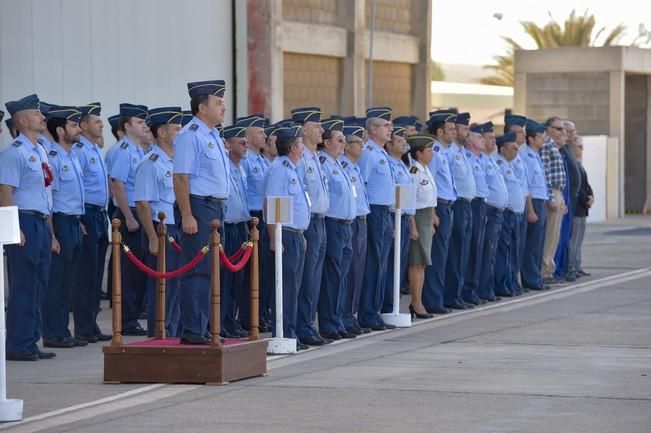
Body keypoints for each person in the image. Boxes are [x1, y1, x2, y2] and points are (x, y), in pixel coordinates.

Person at [173, 80, 230, 344]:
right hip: (199, 206)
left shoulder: (213, 135)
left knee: (211, 270)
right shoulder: (190, 135)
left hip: (216, 207)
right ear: (201, 107)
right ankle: (193, 329)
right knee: (198, 269)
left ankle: (204, 325)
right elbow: (181, 177)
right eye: (218, 103)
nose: (223, 108)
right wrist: (187, 214)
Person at [0, 94, 56, 361]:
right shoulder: (14, 153)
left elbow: (46, 193)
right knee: (24, 283)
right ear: (22, 120)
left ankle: (32, 340)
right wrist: (14, 227)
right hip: (23, 221)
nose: (43, 117)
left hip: (41, 221)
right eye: (36, 114)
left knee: (39, 283)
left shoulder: (40, 150)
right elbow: (5, 191)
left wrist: (51, 231)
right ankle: (18, 344)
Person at [134, 106, 183, 338]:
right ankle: (159, 334)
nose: (181, 133)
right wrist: (153, 237)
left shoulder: (177, 162)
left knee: (177, 286)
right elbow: (142, 204)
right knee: (162, 288)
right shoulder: (150, 163)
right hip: (162, 230)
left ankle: (174, 332)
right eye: (176, 128)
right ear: (162, 133)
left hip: (179, 228)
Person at [41, 106, 88, 348]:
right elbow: (50, 199)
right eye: (73, 125)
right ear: (60, 130)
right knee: (57, 280)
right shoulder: (53, 158)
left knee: (68, 280)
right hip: (59, 221)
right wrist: (52, 235)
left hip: (72, 221)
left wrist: (78, 222)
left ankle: (63, 331)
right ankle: (53, 333)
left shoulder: (72, 156)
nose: (78, 129)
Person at [263, 125, 310, 351]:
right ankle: (284, 332)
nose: (303, 148)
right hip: (285, 234)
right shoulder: (279, 170)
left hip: (295, 234)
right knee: (286, 287)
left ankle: (292, 333)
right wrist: (275, 237)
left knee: (295, 286)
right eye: (301, 144)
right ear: (293, 147)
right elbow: (271, 204)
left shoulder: (292, 168)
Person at [70, 102, 112, 343]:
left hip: (99, 213)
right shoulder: (80, 151)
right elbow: (77, 188)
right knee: (85, 273)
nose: (101, 125)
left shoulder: (94, 149)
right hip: (86, 212)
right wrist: (80, 218)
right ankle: (83, 326)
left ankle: (91, 324)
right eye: (97, 121)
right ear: (84, 125)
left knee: (96, 273)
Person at [109, 103, 151, 335]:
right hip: (130, 214)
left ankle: (131, 317)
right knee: (129, 270)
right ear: (127, 126)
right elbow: (118, 184)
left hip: (138, 212)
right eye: (139, 122)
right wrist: (128, 217)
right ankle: (125, 320)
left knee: (139, 271)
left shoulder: (137, 150)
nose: (144, 126)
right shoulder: (125, 150)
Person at [291, 107, 331, 346]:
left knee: (314, 278)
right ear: (304, 129)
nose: (321, 130)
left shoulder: (315, 156)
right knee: (305, 278)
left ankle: (308, 324)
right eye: (317, 126)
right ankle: (301, 327)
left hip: (321, 220)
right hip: (308, 222)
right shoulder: (300, 157)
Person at [357, 107, 398, 330]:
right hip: (373, 212)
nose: (390, 129)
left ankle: (375, 310)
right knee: (373, 263)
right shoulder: (368, 154)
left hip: (385, 212)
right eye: (385, 125)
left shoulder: (382, 153)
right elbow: (361, 184)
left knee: (382, 264)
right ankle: (367, 313)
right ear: (373, 129)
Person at [317, 118, 357, 340]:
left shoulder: (337, 164)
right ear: (327, 143)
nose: (344, 144)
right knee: (332, 276)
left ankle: (338, 317)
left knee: (342, 275)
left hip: (345, 225)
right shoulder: (323, 163)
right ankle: (329, 322)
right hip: (332, 224)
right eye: (340, 140)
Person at [239, 114, 272, 332]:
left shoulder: (261, 159)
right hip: (253, 217)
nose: (265, 135)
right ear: (248, 136)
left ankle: (260, 313)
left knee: (264, 270)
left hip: (264, 215)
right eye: (259, 132)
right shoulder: (246, 160)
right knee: (252, 271)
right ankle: (248, 315)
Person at [219, 122, 253, 339]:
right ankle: (220, 321)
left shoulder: (241, 168)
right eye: (242, 142)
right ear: (229, 145)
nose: (246, 145)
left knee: (237, 279)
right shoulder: (224, 167)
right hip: (227, 227)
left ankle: (231, 320)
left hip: (241, 225)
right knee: (224, 279)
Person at [423, 110, 457, 314]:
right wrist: (433, 212)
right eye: (450, 129)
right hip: (440, 206)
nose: (454, 132)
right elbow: (432, 183)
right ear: (439, 131)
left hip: (449, 204)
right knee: (437, 255)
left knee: (444, 255)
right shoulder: (435, 151)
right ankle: (433, 300)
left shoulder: (444, 151)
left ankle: (440, 297)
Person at [340, 122, 371, 335]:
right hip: (349, 222)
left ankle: (351, 315)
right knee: (347, 273)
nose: (362, 146)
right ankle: (344, 316)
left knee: (358, 271)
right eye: (357, 143)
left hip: (360, 220)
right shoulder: (342, 165)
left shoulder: (353, 166)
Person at [381, 125, 415, 315]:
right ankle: (388, 304)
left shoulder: (402, 163)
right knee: (391, 265)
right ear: (390, 145)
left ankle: (394, 302)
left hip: (405, 217)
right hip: (395, 216)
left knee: (399, 265)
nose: (404, 145)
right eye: (400, 141)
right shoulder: (390, 164)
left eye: (405, 141)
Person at [476, 122, 508, 302]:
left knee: (492, 253)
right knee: (485, 252)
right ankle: (481, 289)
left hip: (497, 212)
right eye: (489, 138)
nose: (493, 141)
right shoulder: (479, 159)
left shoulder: (490, 159)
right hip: (488, 211)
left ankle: (487, 289)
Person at [406, 134, 437, 319]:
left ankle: (418, 301)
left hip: (426, 218)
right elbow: (411, 200)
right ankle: (416, 302)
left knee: (423, 263)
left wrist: (432, 217)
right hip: (417, 218)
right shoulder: (414, 171)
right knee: (416, 263)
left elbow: (429, 198)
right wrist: (413, 226)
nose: (431, 154)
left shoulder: (425, 169)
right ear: (419, 152)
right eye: (428, 150)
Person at [494, 133, 526, 297]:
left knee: (513, 250)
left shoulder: (509, 164)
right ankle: (502, 284)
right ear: (502, 149)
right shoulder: (499, 163)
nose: (516, 150)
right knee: (504, 251)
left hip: (514, 214)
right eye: (513, 147)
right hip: (506, 213)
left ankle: (511, 282)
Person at [520, 121, 550, 291]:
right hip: (534, 202)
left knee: (539, 244)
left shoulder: (536, 155)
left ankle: (536, 276)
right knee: (532, 244)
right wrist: (530, 209)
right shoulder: (527, 157)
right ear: (530, 139)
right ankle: (530, 279)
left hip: (542, 200)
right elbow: (528, 187)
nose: (543, 139)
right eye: (540, 136)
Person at [461, 129, 489, 305]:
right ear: (470, 141)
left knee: (477, 249)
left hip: (481, 204)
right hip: (472, 203)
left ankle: (473, 288)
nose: (483, 140)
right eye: (479, 137)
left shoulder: (480, 159)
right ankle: (466, 289)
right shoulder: (466, 157)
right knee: (469, 250)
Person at [541, 116, 568, 285]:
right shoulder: (546, 146)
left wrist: (561, 199)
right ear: (549, 129)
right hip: (552, 192)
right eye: (559, 129)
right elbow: (545, 174)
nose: (562, 132)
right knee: (549, 234)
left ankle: (549, 270)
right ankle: (544, 271)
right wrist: (551, 197)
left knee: (555, 235)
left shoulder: (555, 147)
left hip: (558, 191)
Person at [504, 114, 530, 295]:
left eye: (523, 132)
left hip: (520, 209)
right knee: (507, 250)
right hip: (509, 210)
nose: (523, 136)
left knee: (517, 249)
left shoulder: (518, 156)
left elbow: (524, 186)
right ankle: (507, 282)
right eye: (519, 133)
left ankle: (514, 281)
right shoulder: (505, 157)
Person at [555, 120, 582, 281]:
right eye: (566, 131)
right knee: (559, 236)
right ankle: (558, 269)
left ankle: (565, 267)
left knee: (567, 236)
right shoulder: (561, 150)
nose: (570, 135)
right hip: (562, 197)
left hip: (570, 199)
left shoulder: (568, 150)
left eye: (572, 132)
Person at [568, 136, 593, 278]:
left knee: (579, 240)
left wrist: (591, 196)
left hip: (583, 208)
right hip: (577, 207)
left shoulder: (579, 164)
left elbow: (586, 185)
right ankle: (573, 266)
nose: (582, 149)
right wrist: (586, 199)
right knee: (574, 240)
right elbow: (576, 186)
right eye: (579, 147)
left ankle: (577, 265)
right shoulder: (574, 164)